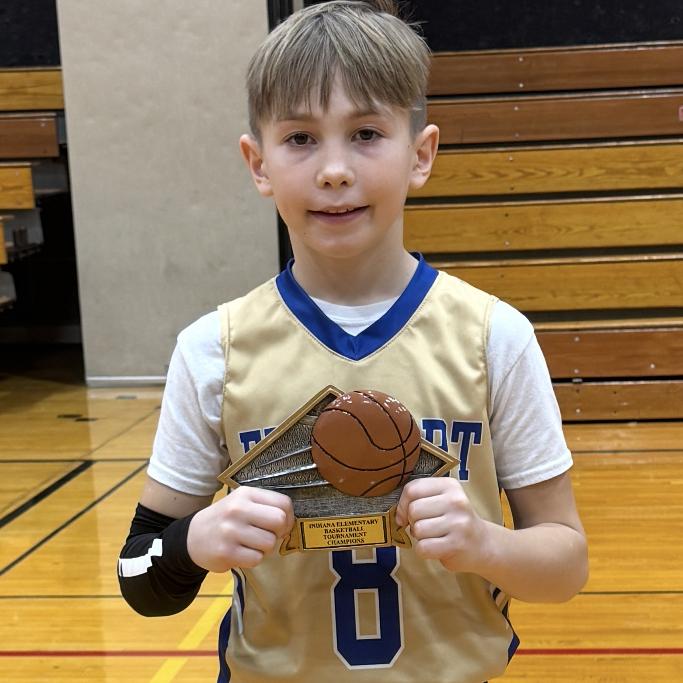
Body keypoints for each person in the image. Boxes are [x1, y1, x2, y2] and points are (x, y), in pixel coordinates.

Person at [117, 2, 589, 681]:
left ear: (420, 154)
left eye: (366, 133)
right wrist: (193, 541)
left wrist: (485, 543)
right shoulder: (212, 350)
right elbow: (138, 575)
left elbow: (566, 565)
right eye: (300, 138)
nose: (333, 169)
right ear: (258, 163)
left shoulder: (493, 337)